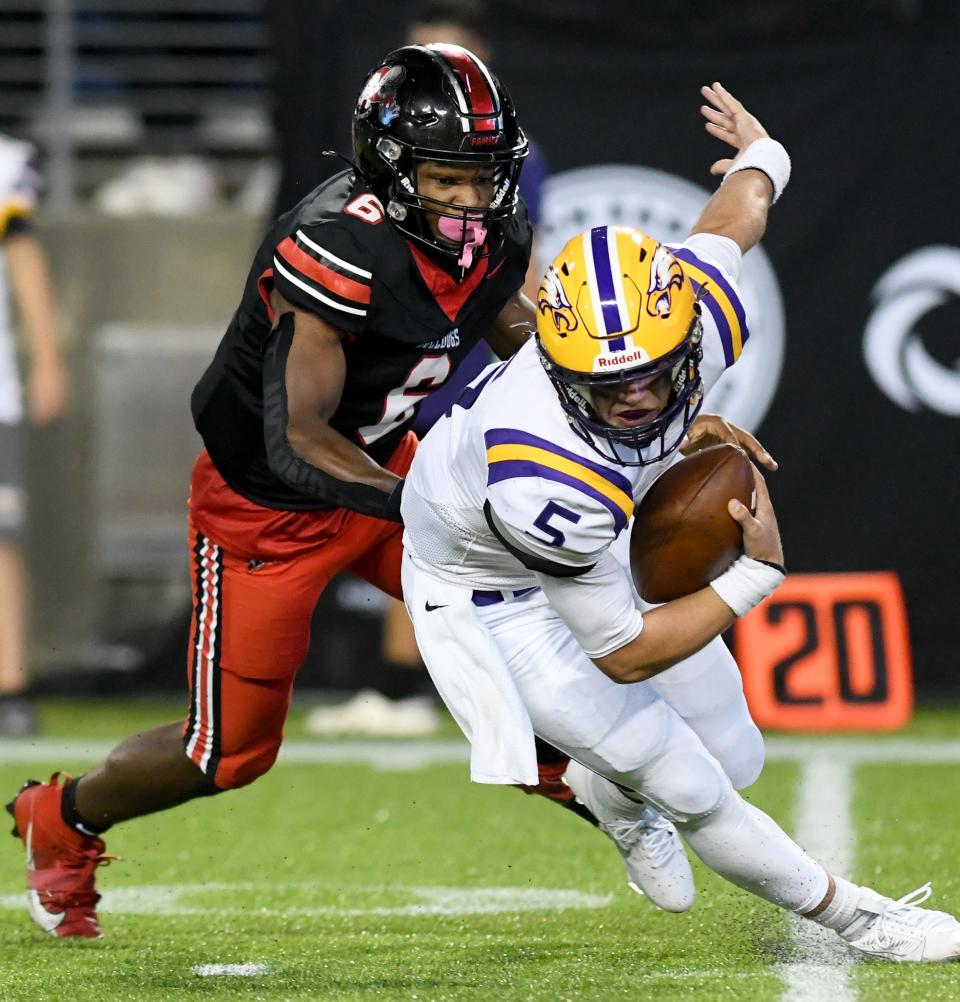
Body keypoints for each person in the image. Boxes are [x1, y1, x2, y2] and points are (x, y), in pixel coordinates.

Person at [6, 41, 699, 940]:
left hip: (389, 461)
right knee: (226, 753)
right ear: (395, 166)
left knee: (516, 633)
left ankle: (611, 794)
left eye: (484, 176)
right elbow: (297, 436)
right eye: (447, 177)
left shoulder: (488, 232)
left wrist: (621, 394)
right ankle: (59, 819)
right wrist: (432, 510)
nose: (469, 201)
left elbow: (512, 331)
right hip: (268, 506)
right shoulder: (335, 247)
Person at [397, 83, 960, 961]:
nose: (632, 400)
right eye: (605, 384)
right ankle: (861, 919)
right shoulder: (542, 467)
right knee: (693, 784)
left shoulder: (705, 311)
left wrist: (762, 152)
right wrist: (753, 579)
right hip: (490, 590)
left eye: (652, 376)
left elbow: (737, 216)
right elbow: (622, 652)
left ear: (685, 335)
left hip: (594, 538)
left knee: (737, 756)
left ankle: (610, 790)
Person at [305, 0, 551, 738]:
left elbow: (515, 260)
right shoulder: (396, 155)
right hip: (418, 355)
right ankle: (413, 682)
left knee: (434, 517)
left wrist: (525, 351)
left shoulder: (508, 162)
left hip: (455, 354)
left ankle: (413, 685)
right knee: (419, 520)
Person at [0, 134, 69, 737]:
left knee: (2, 540)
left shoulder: (4, 163)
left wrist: (46, 356)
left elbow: (23, 259)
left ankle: (10, 684)